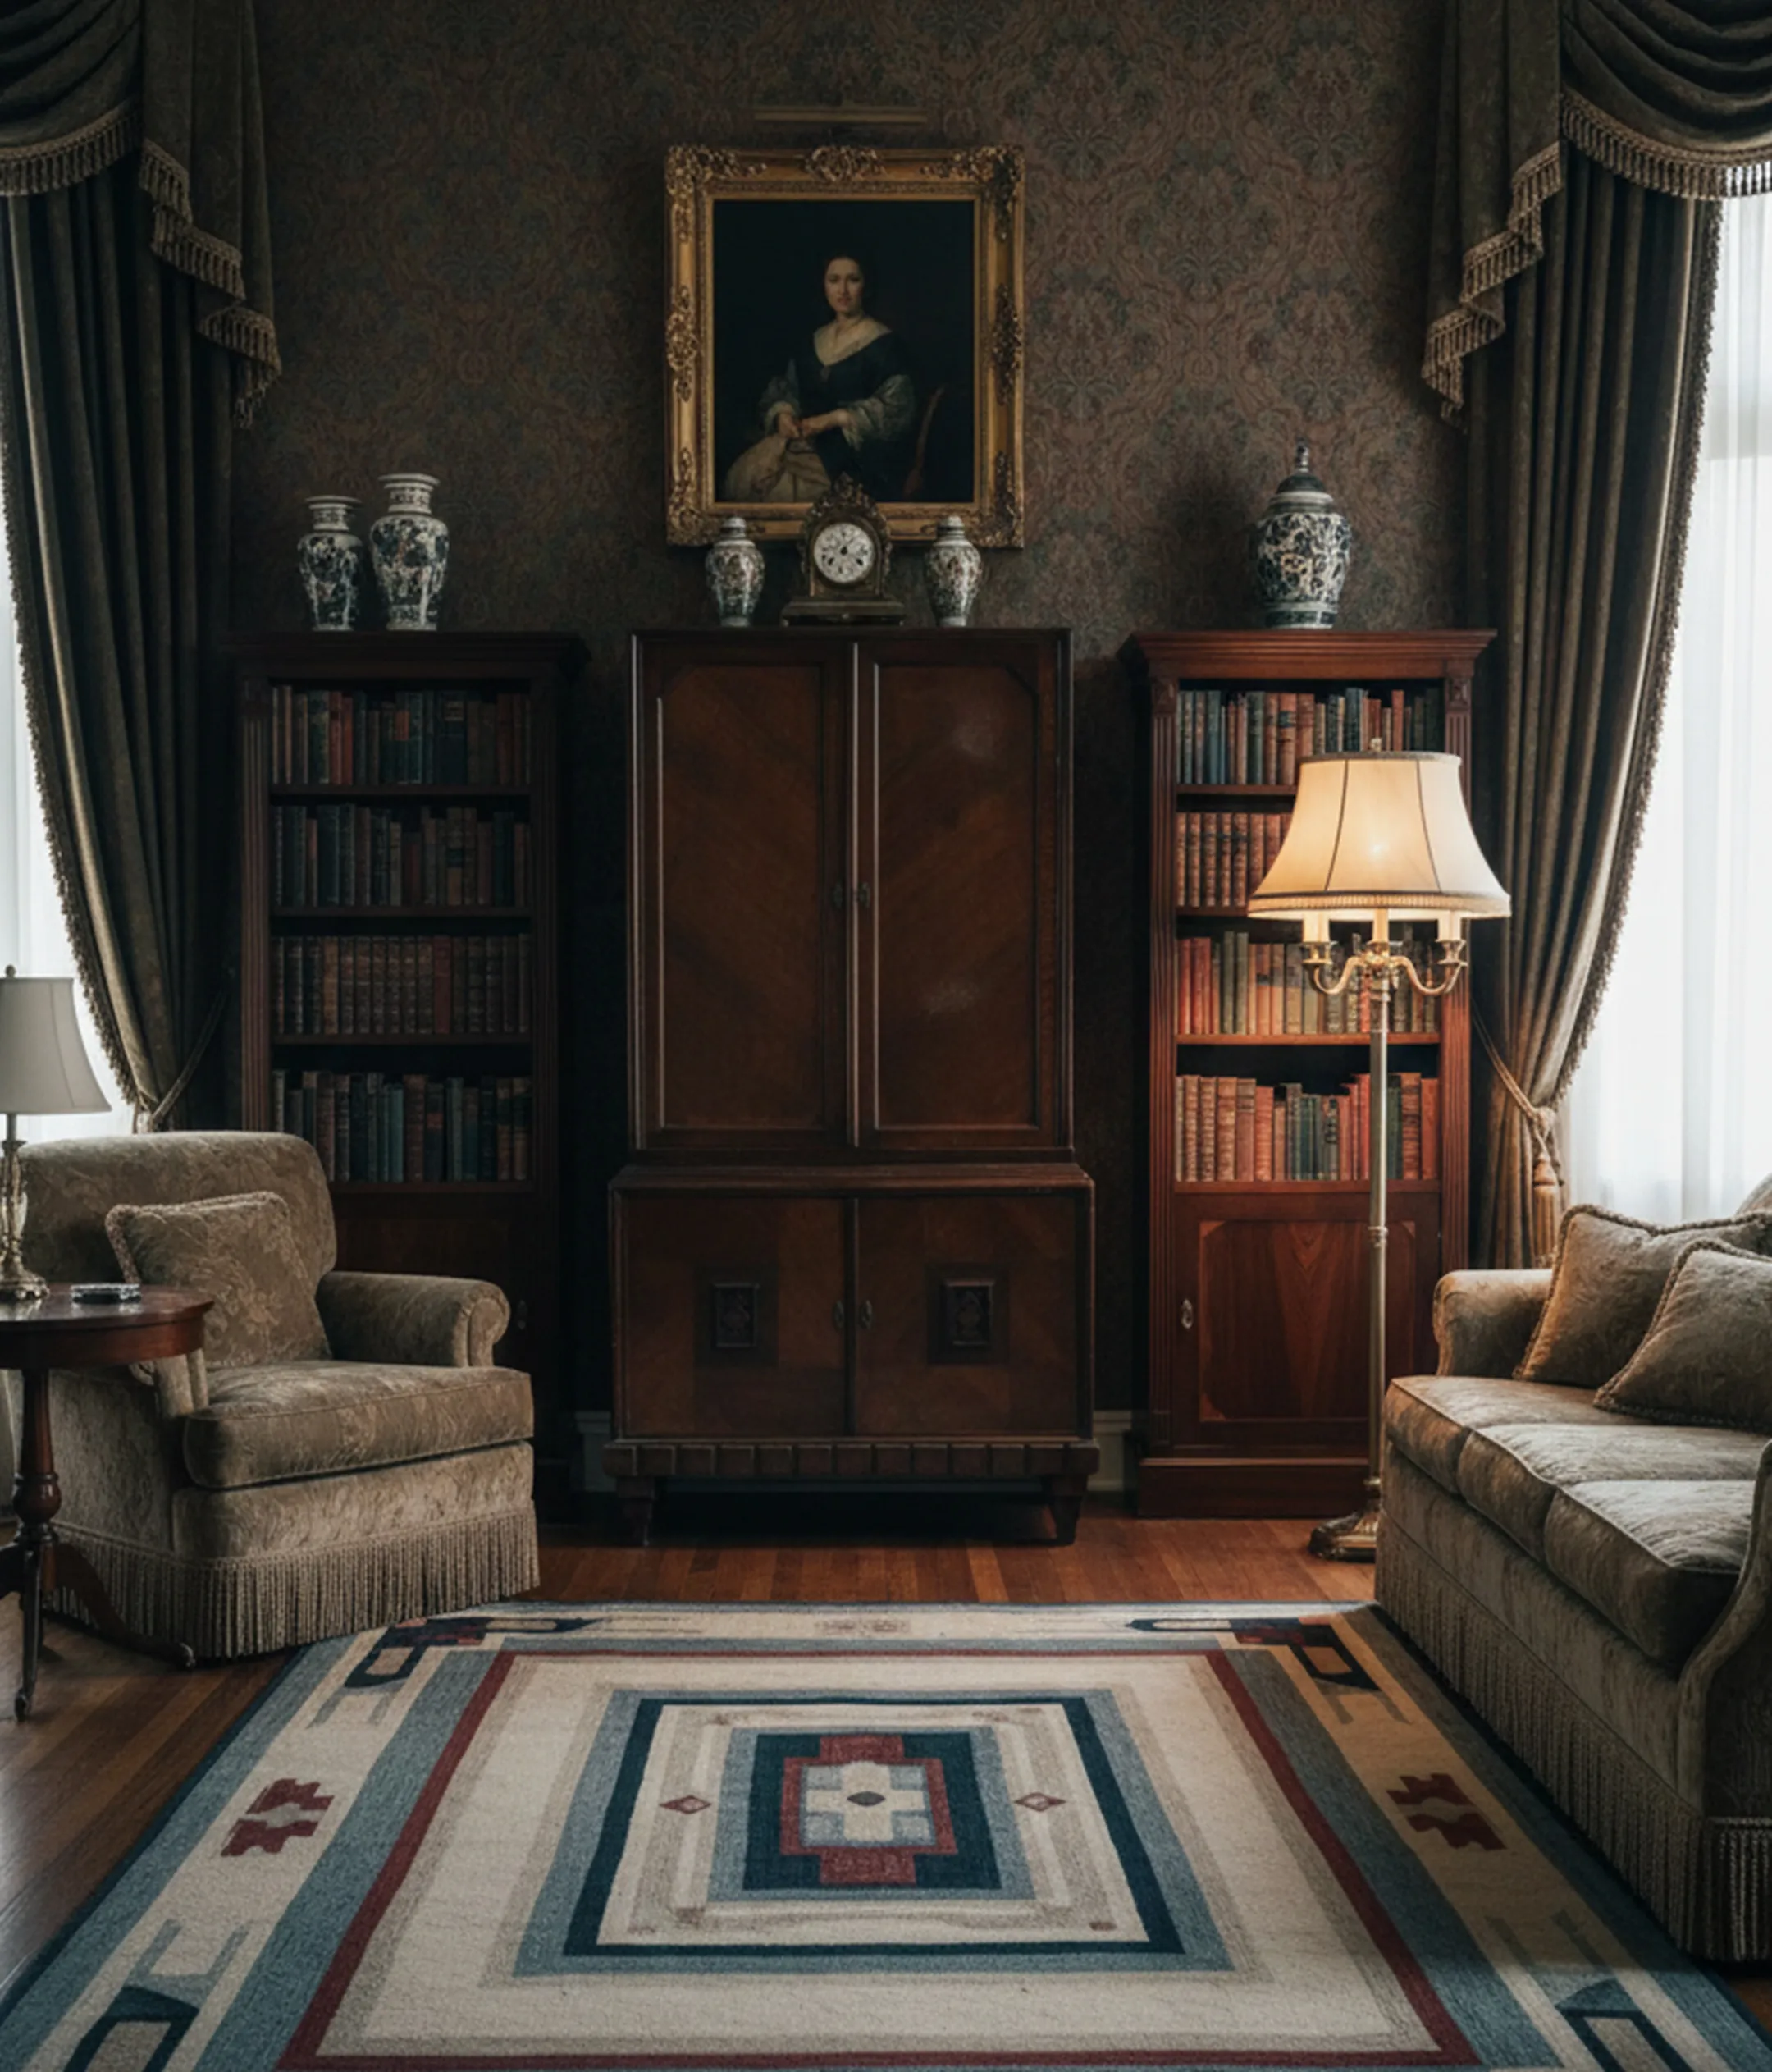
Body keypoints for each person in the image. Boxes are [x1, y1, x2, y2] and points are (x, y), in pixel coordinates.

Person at [723, 252, 917, 505]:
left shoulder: (886, 346)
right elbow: (788, 390)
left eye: (853, 280)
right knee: (744, 479)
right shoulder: (813, 340)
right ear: (824, 285)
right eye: (834, 280)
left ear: (866, 286)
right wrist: (783, 415)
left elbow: (897, 411)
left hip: (855, 460)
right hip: (802, 443)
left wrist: (835, 419)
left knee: (782, 493)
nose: (843, 290)